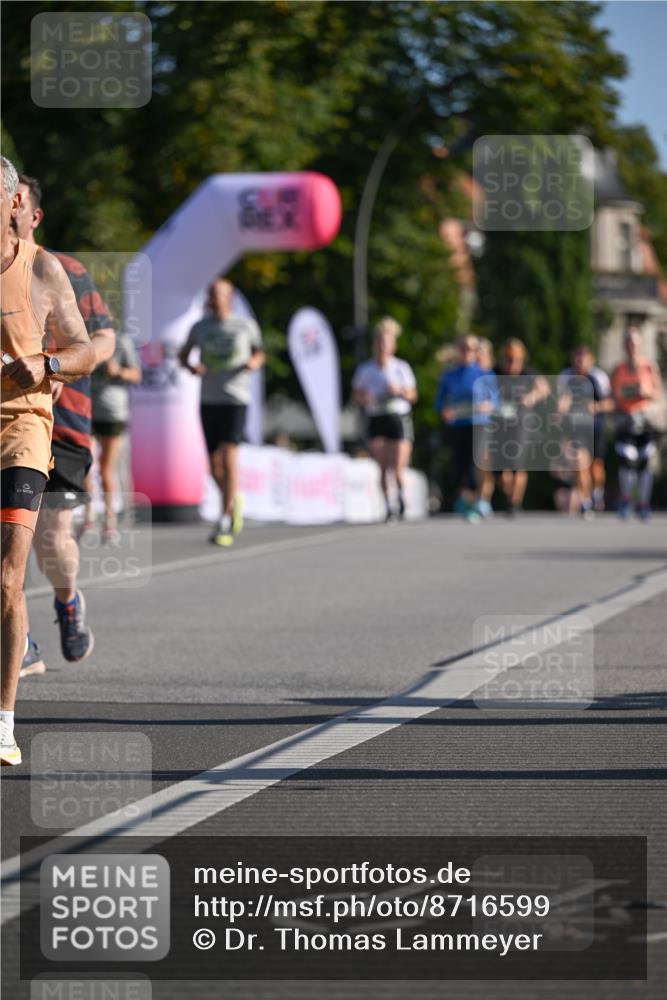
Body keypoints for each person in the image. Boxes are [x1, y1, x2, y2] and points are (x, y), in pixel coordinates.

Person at [1, 156, 95, 764]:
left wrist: (48, 364)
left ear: (14, 204)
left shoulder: (42, 269)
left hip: (23, 430)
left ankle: (2, 721)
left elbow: (86, 348)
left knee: (8, 575)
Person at [13, 173, 116, 675]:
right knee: (8, 542)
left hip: (63, 423)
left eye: (16, 204)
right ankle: (21, 642)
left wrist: (54, 367)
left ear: (33, 215)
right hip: (8, 424)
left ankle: (68, 600)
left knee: (51, 537)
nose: (9, 211)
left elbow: (104, 341)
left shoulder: (62, 269)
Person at [179, 277, 265, 546]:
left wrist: (253, 362)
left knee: (229, 457)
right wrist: (192, 367)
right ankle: (233, 499)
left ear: (230, 298)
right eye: (211, 295)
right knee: (213, 464)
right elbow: (183, 355)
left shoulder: (244, 325)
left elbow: (260, 353)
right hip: (209, 399)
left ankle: (225, 518)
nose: (214, 299)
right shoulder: (200, 327)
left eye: (218, 294)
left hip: (236, 398)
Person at [352, 317, 417, 521]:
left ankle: (401, 496)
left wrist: (400, 390)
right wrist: (365, 398)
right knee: (382, 466)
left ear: (393, 346)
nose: (382, 347)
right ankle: (389, 505)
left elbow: (413, 395)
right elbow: (357, 394)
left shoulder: (401, 368)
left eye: (386, 343)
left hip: (398, 418)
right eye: (379, 342)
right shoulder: (366, 370)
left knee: (397, 468)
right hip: (377, 417)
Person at [82, 332, 142, 541]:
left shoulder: (122, 341)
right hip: (87, 410)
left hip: (113, 412)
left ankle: (110, 519)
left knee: (106, 469)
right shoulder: (83, 338)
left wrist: (118, 371)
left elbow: (136, 374)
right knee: (86, 465)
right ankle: (89, 515)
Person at [435, 334, 496, 522]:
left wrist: (487, 405)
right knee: (461, 465)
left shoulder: (485, 374)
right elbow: (440, 401)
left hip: (480, 424)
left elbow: (495, 400)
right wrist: (445, 411)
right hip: (459, 425)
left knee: (479, 463)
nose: (466, 352)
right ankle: (467, 501)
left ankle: (482, 500)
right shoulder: (450, 375)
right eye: (463, 348)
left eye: (470, 348)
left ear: (476, 351)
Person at [491, 338, 550, 516]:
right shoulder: (495, 372)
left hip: (522, 426)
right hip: (500, 425)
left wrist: (533, 396)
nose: (512, 363)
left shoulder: (528, 373)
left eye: (516, 359)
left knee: (518, 465)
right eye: (508, 359)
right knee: (501, 470)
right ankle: (509, 496)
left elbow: (544, 388)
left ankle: (514, 503)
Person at [611, 327, 662, 520]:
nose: (632, 347)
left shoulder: (649, 367)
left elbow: (657, 393)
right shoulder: (619, 369)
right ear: (625, 346)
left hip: (645, 419)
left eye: (635, 343)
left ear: (640, 345)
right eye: (629, 343)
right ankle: (626, 499)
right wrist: (629, 394)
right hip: (626, 419)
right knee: (627, 462)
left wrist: (645, 393)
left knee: (645, 463)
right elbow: (614, 395)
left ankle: (643, 504)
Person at [557, 345, 614, 517]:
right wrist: (560, 410)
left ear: (590, 360)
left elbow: (611, 403)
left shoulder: (598, 377)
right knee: (581, 464)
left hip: (595, 427)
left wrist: (597, 406)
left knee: (596, 468)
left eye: (583, 358)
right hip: (577, 428)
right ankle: (585, 502)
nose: (579, 362)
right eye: (577, 358)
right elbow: (561, 401)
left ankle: (597, 491)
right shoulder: (566, 377)